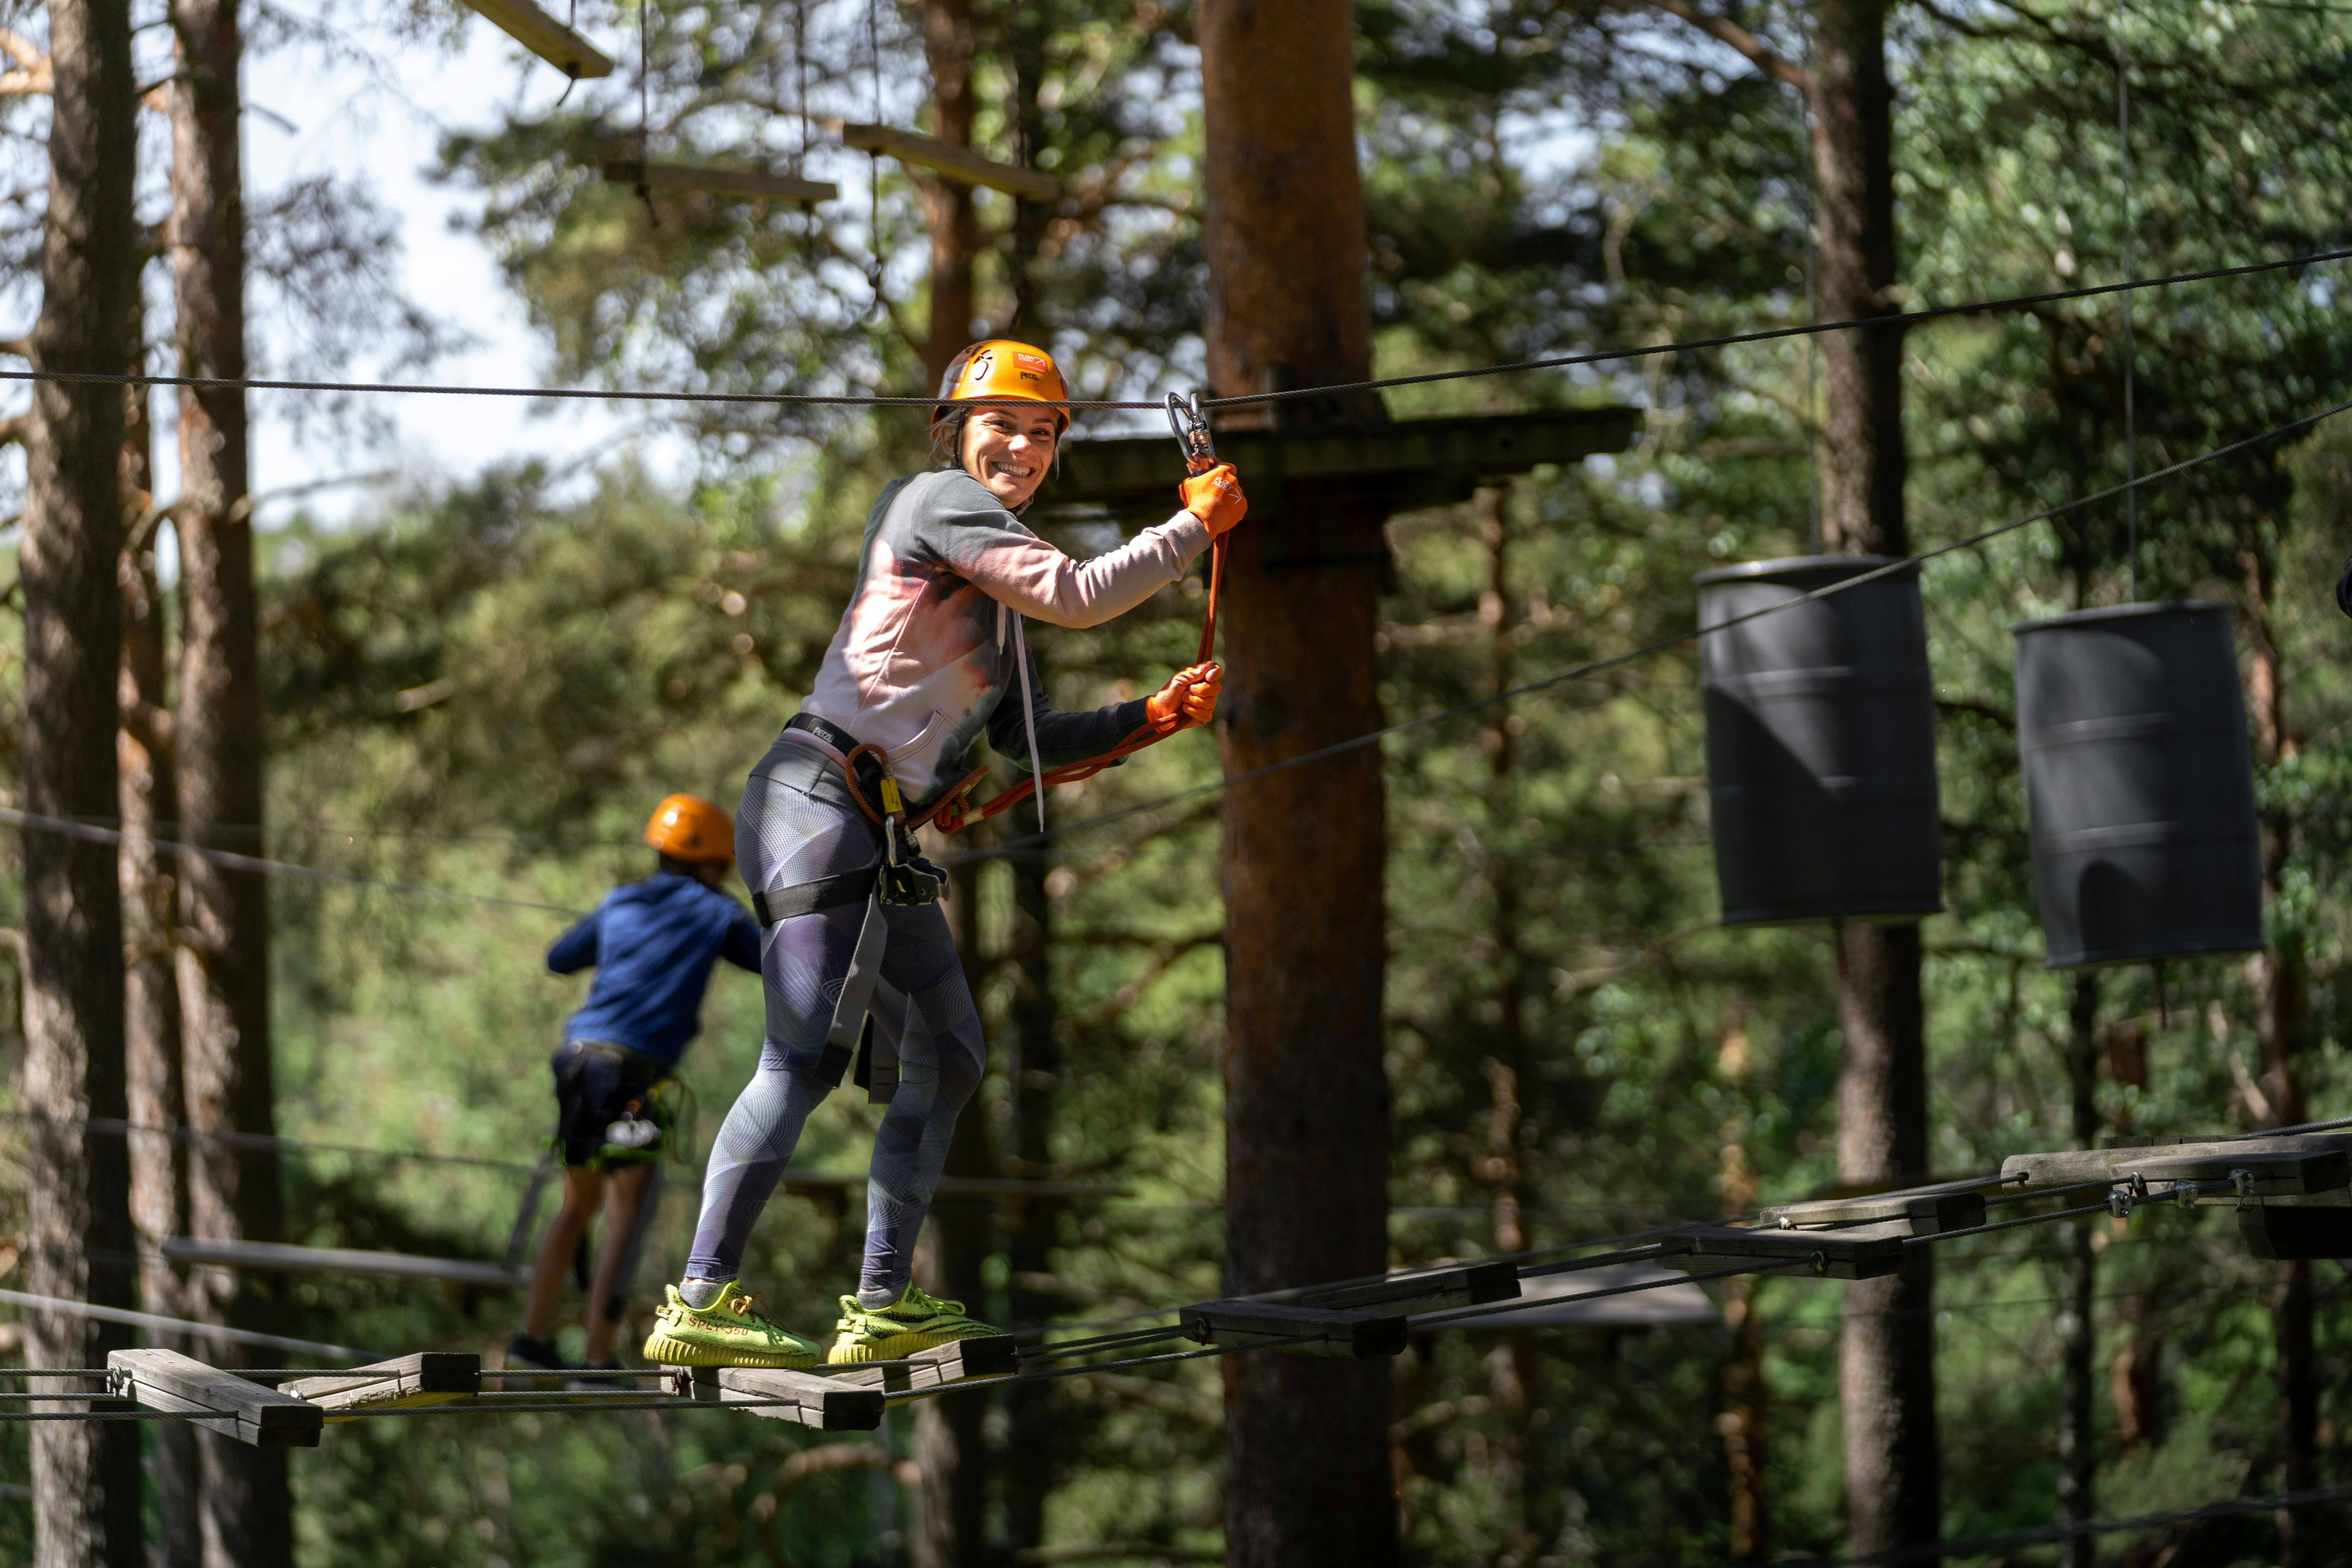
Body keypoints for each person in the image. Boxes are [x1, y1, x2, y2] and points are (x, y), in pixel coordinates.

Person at [642, 339, 1246, 1368]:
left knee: (952, 1054)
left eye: (1044, 432)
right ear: (953, 434)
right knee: (803, 1058)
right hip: (820, 803)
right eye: (1001, 425)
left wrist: (1148, 715)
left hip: (862, 830)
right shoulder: (933, 502)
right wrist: (1196, 524)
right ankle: (697, 1299)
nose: (1023, 446)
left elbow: (1032, 743)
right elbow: (1079, 590)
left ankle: (880, 1302)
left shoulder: (994, 609)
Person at [509, 794, 761, 1378]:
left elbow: (559, 958)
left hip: (575, 1064)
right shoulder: (715, 912)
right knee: (628, 1214)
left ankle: (532, 1338)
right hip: (627, 1075)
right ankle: (596, 1357)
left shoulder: (622, 900)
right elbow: (777, 959)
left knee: (577, 1205)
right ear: (712, 863)